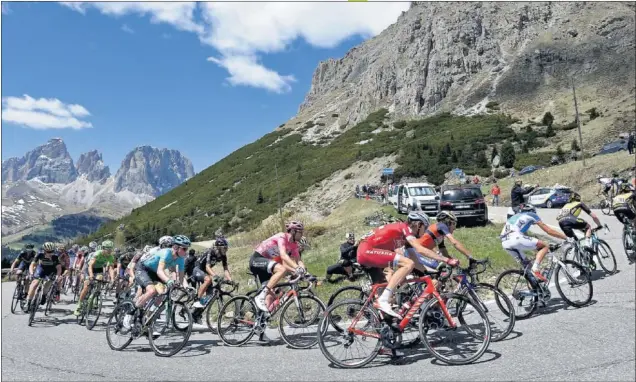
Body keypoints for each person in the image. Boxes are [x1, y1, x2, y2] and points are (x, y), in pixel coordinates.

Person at [356, 211, 458, 319]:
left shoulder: (406, 237)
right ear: (418, 225)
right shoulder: (405, 228)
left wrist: (432, 273)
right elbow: (419, 249)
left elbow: (415, 261)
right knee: (407, 264)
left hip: (369, 251)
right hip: (366, 251)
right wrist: (446, 259)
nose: (425, 231)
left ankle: (384, 318)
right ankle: (383, 300)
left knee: (402, 273)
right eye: (425, 226)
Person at [122, 235, 191, 330]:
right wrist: (169, 280)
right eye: (184, 248)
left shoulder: (181, 259)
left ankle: (147, 320)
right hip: (143, 269)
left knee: (163, 294)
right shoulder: (167, 253)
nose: (186, 251)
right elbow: (160, 271)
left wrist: (184, 287)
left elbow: (181, 276)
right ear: (176, 247)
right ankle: (129, 313)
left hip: (154, 273)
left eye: (187, 249)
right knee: (151, 291)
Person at [501, 204, 570, 283]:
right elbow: (548, 231)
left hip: (505, 242)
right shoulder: (531, 215)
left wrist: (537, 245)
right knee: (545, 246)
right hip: (515, 238)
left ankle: (535, 291)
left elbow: (524, 237)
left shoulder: (516, 217)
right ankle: (536, 268)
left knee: (528, 270)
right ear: (532, 211)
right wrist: (566, 237)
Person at [250, 221, 306, 314]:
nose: (302, 234)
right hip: (257, 260)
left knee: (272, 293)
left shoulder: (294, 245)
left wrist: (305, 272)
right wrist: (296, 268)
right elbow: (283, 256)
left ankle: (260, 319)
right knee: (281, 270)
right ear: (293, 231)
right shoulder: (282, 237)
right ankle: (260, 297)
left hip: (267, 266)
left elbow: (299, 261)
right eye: (300, 232)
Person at [404, 211, 474, 270]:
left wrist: (452, 261)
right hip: (416, 251)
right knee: (440, 270)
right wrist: (470, 257)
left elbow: (443, 251)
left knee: (442, 272)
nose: (454, 227)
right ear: (448, 222)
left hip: (420, 253)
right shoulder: (442, 226)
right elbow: (454, 243)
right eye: (454, 224)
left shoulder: (440, 233)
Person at [74, 240, 116, 316]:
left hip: (98, 269)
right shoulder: (97, 253)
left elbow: (110, 269)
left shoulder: (110, 256)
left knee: (100, 278)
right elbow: (90, 266)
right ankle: (79, 306)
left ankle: (95, 295)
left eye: (111, 249)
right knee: (86, 286)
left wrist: (112, 279)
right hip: (89, 268)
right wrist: (90, 275)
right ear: (103, 248)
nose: (110, 251)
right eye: (108, 249)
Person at [26, 242, 62, 310]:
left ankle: (44, 295)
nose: (50, 253)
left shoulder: (55, 256)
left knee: (48, 282)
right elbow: (32, 264)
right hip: (41, 269)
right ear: (44, 250)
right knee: (34, 284)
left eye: (51, 251)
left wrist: (57, 276)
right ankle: (28, 302)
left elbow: (59, 268)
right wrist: (31, 273)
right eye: (48, 251)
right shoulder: (40, 254)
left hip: (51, 270)